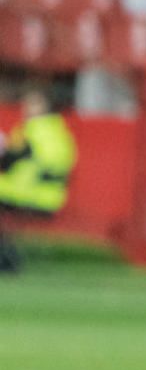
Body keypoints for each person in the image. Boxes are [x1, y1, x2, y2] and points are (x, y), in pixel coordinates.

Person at [0, 86, 78, 272]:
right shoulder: (60, 132)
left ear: (44, 106)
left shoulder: (33, 132)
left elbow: (9, 162)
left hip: (27, 194)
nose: (26, 107)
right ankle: (6, 256)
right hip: (51, 196)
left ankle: (6, 258)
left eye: (32, 103)